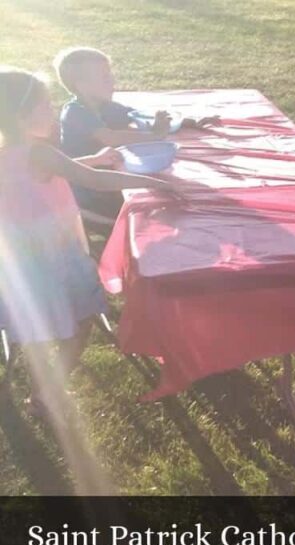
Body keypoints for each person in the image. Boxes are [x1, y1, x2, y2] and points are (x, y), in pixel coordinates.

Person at [0, 67, 182, 414]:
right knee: (80, 322)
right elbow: (93, 180)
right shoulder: (40, 153)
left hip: (17, 263)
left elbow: (50, 171)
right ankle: (46, 392)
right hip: (55, 257)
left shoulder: (11, 154)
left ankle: (34, 370)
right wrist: (157, 185)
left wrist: (92, 158)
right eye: (46, 105)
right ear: (23, 116)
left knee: (32, 319)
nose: (53, 111)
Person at [53, 47, 218, 221]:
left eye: (110, 75)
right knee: (159, 203)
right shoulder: (75, 112)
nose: (112, 80)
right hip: (88, 189)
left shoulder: (106, 106)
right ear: (82, 86)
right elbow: (110, 137)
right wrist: (154, 135)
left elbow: (143, 119)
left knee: (167, 189)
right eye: (104, 78)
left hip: (110, 175)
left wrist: (187, 122)